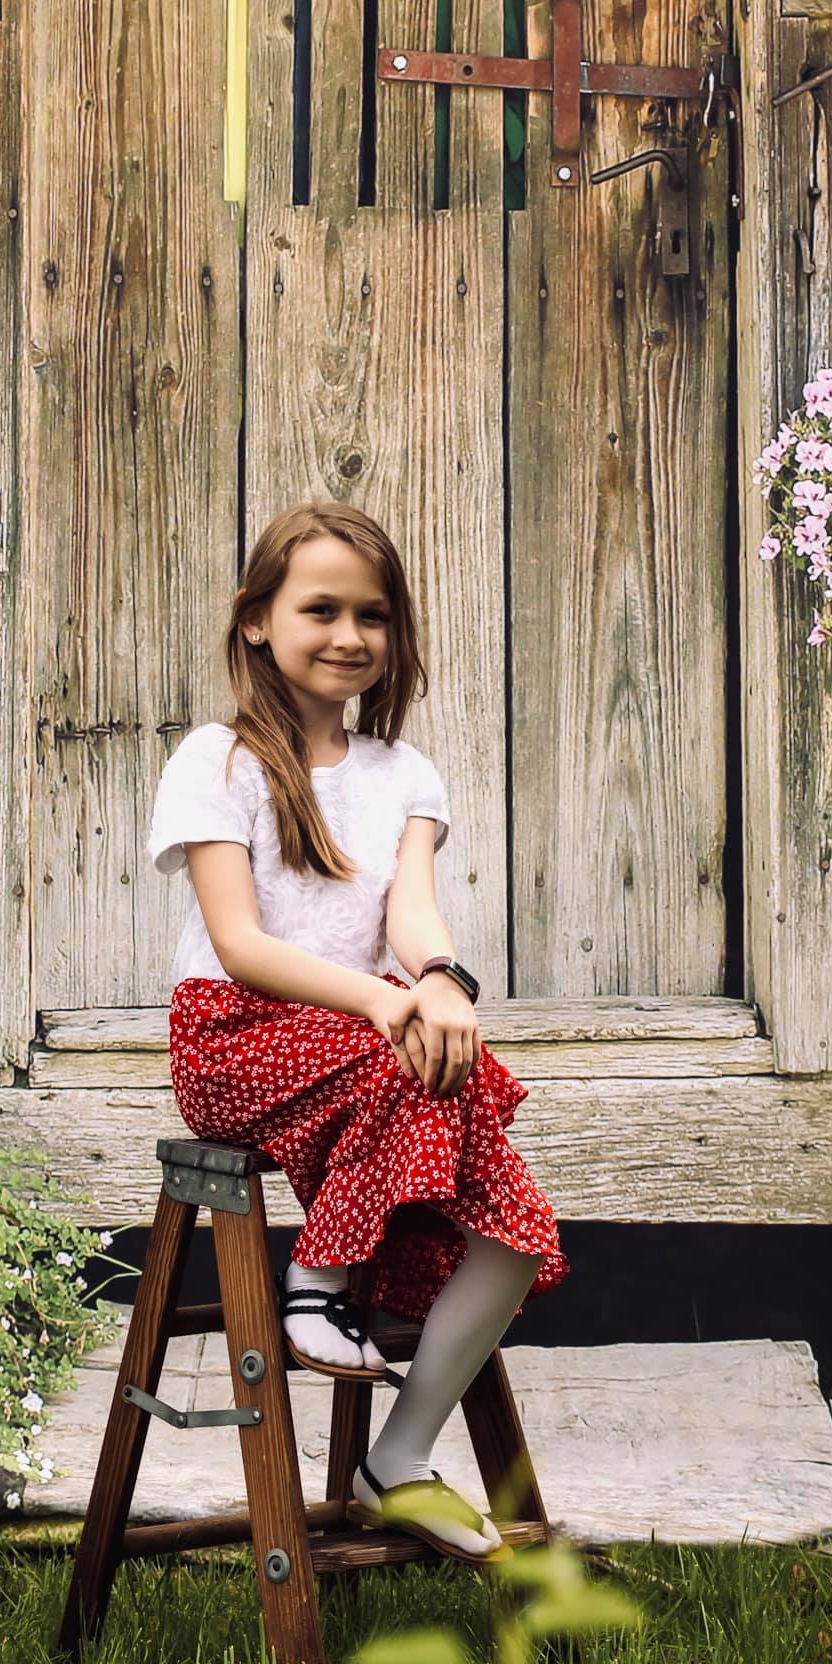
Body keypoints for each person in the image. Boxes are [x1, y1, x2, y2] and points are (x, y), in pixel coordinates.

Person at [146, 500, 567, 1562]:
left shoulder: (404, 774)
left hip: (359, 1047)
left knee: (515, 1225)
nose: (348, 635)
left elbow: (411, 915)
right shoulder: (218, 759)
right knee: (403, 1057)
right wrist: (384, 1001)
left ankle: (400, 1459)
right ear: (257, 620)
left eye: (370, 614)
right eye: (319, 608)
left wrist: (439, 980)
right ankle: (316, 1281)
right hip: (234, 1035)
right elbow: (239, 941)